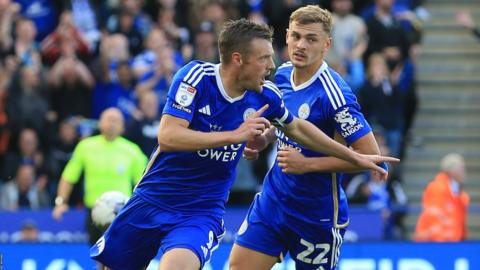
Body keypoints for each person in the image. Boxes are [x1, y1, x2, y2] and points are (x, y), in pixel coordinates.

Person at [90, 19, 397, 270]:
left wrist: (357, 158)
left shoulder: (267, 94)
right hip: (153, 198)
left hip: (201, 211)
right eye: (264, 58)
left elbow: (298, 128)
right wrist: (236, 135)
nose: (272, 64)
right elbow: (168, 137)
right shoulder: (196, 77)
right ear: (239, 60)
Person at [229, 6, 395, 270]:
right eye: (296, 36)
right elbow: (285, 122)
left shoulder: (335, 95)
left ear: (327, 44)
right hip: (274, 200)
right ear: (286, 37)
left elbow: (371, 159)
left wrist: (307, 165)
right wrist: (265, 138)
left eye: (311, 39)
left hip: (316, 215)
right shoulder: (282, 74)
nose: (301, 45)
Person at [52, 108, 147, 245]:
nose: (111, 124)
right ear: (100, 123)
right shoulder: (85, 146)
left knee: (118, 255)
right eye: (108, 119)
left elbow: (143, 183)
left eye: (116, 120)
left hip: (122, 211)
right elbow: (69, 176)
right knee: (98, 256)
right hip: (94, 211)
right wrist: (60, 203)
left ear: (122, 127)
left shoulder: (132, 150)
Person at [414, 153, 469, 242]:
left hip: (454, 244)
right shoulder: (437, 188)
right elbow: (434, 217)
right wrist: (440, 245)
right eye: (461, 168)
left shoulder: (459, 193)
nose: (464, 172)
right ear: (452, 170)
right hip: (437, 244)